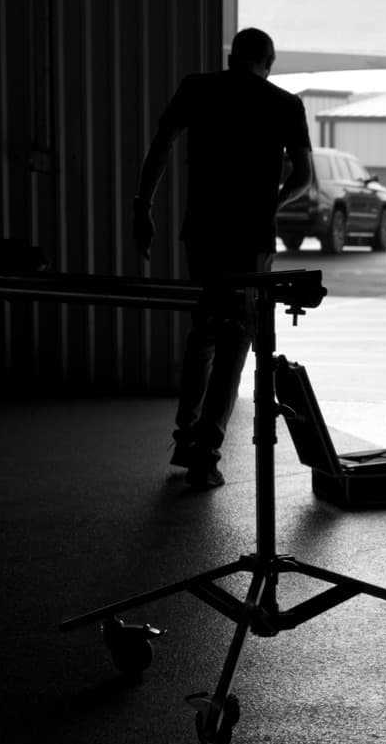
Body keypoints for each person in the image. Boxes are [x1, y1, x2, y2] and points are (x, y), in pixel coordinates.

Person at [132, 27, 313, 486]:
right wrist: (273, 202)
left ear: (234, 57)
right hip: (251, 239)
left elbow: (161, 146)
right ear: (268, 62)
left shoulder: (198, 88)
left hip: (204, 231)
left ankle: (185, 435)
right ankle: (205, 453)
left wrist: (143, 206)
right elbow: (303, 177)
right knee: (236, 335)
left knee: (206, 327)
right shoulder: (285, 104)